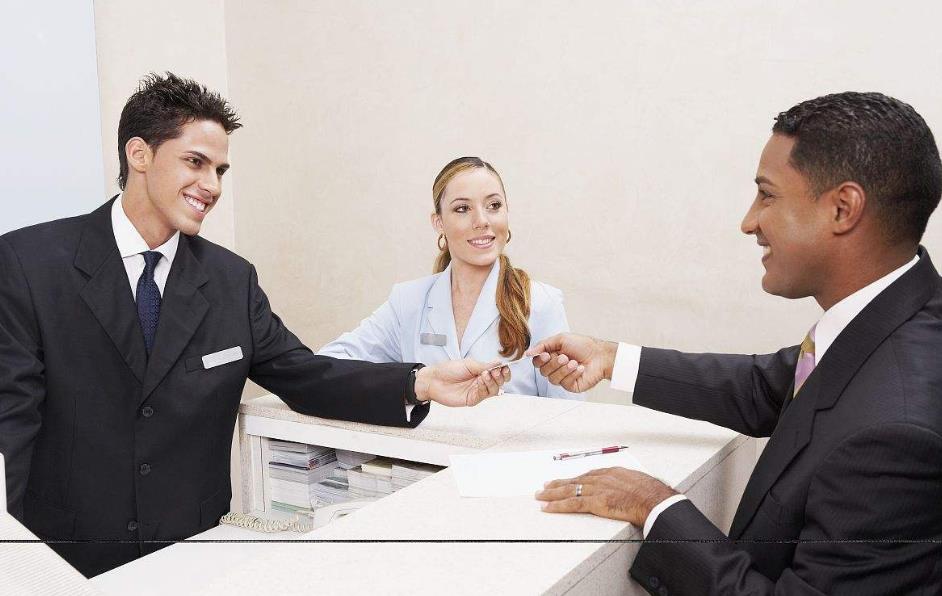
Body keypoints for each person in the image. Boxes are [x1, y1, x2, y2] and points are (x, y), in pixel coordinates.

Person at [0, 73, 510, 578]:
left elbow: (307, 376)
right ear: (139, 155)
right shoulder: (28, 265)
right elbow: (11, 428)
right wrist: (16, 565)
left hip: (194, 556)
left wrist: (421, 382)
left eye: (220, 170)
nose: (212, 186)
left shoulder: (231, 281)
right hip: (61, 563)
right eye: (195, 162)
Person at [530, 92, 942, 594]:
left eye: (767, 196)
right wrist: (610, 357)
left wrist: (656, 506)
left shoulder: (893, 433)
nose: (749, 222)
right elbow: (768, 387)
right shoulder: (901, 315)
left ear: (843, 208)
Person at [318, 157, 577, 400]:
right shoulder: (408, 302)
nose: (482, 221)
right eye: (462, 208)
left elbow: (568, 413)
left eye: (494, 206)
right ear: (438, 222)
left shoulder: (542, 302)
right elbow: (327, 365)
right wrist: (414, 381)